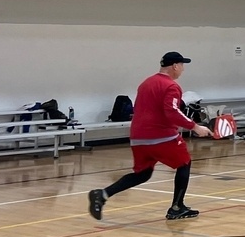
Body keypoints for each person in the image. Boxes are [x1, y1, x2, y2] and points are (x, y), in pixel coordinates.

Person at [89, 51, 213, 221]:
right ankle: (177, 207)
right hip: (160, 136)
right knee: (184, 163)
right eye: (182, 65)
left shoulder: (146, 83)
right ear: (175, 66)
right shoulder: (171, 86)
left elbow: (151, 108)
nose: (183, 69)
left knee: (143, 173)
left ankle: (102, 194)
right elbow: (171, 111)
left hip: (138, 137)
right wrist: (195, 126)